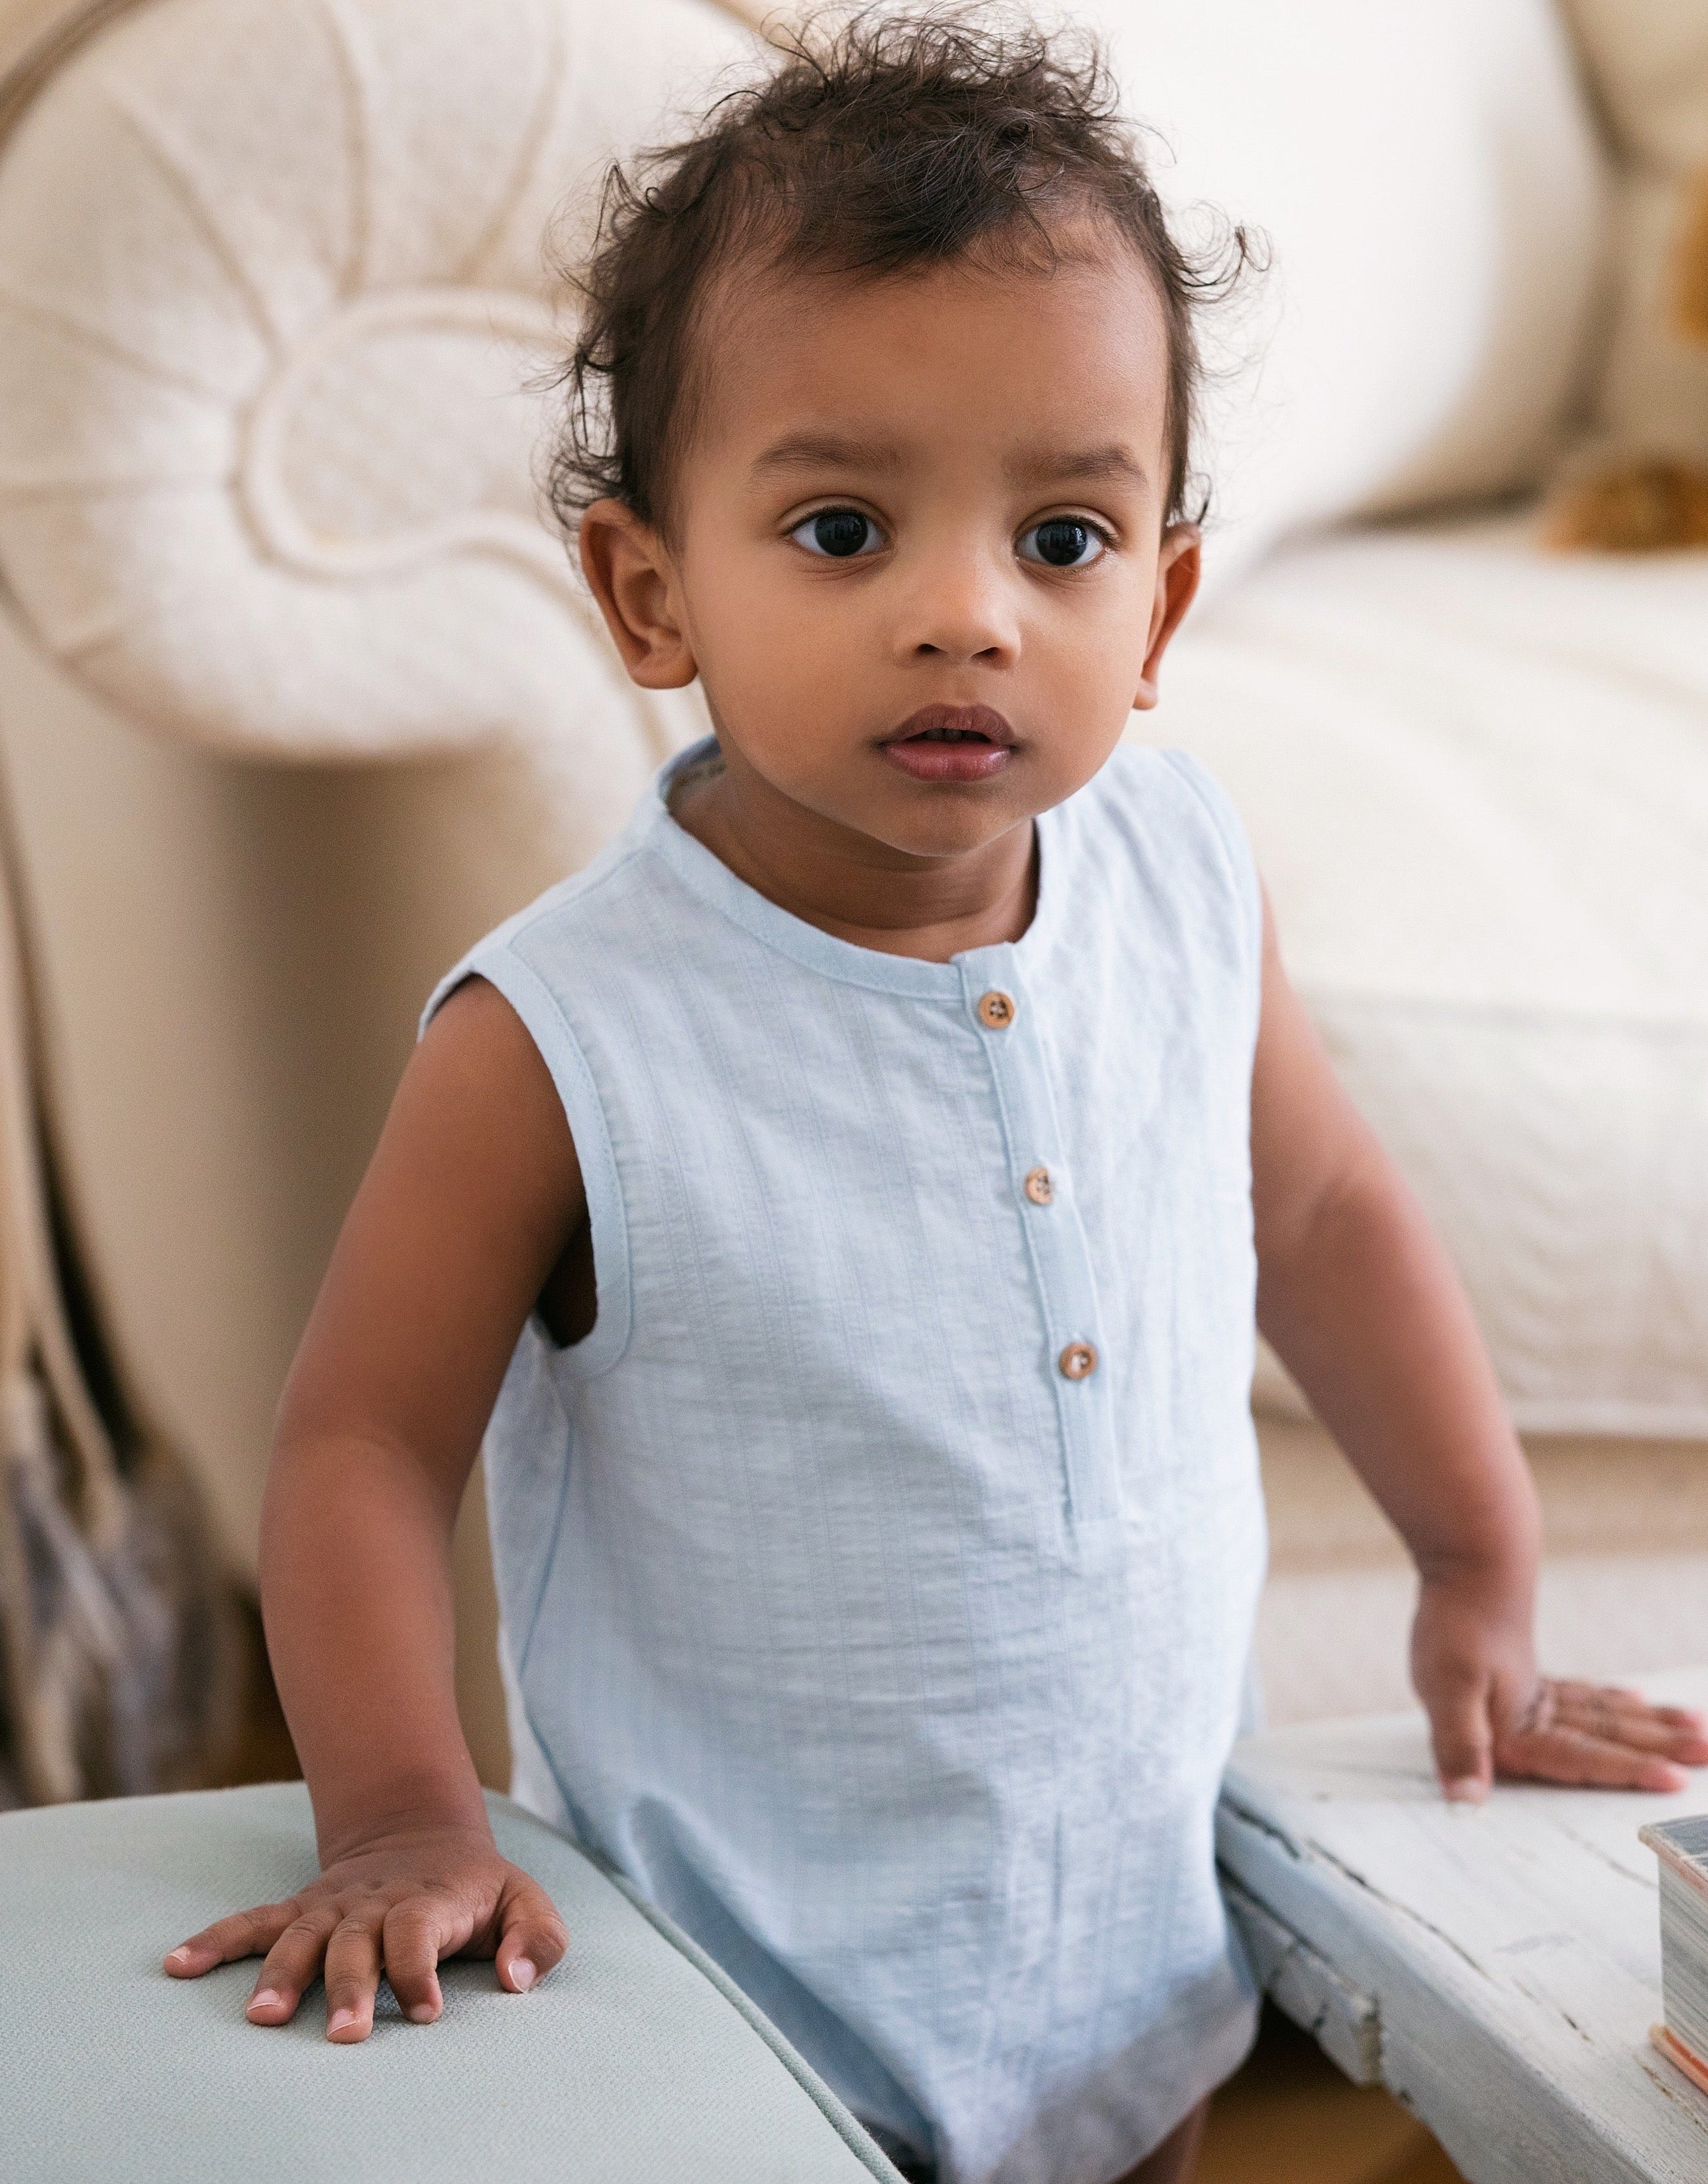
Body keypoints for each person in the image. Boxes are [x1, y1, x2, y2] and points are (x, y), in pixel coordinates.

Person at [163, 16, 1708, 2182]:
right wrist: (405, 1815)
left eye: (1062, 537)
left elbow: (1330, 1212)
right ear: (649, 591)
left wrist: (1480, 1568)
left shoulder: (1184, 878)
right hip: (736, 2021)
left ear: (1161, 604)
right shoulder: (557, 1037)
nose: (965, 614)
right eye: (843, 527)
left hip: (1133, 1977)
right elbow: (360, 1440)